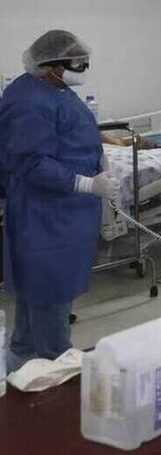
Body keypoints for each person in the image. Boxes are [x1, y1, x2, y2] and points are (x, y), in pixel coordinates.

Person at [0, 30, 119, 371]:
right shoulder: (29, 102)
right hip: (47, 214)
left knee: (35, 293)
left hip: (64, 212)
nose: (83, 69)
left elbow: (75, 133)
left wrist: (100, 158)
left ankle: (23, 356)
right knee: (49, 288)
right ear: (51, 66)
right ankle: (55, 361)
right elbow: (32, 163)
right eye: (77, 63)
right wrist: (87, 183)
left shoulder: (53, 90)